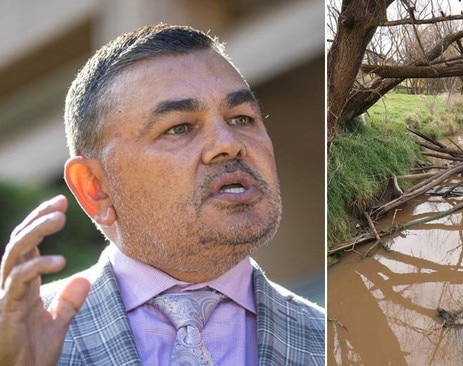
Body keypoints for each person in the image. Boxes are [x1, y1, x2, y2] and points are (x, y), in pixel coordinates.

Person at [0, 24, 325, 365]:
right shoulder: (16, 343)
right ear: (95, 187)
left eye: (241, 119)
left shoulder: (333, 340)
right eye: (179, 128)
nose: (229, 144)